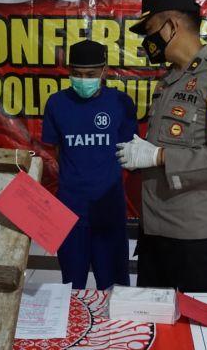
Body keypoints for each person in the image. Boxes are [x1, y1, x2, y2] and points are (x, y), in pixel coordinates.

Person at [116, 0, 207, 292]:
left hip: (192, 236)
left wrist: (159, 156)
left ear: (171, 26)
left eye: (150, 30)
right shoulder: (169, 80)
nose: (146, 41)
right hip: (153, 229)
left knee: (195, 318)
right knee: (153, 317)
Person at [41, 39, 137, 289]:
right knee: (72, 290)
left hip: (109, 210)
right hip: (69, 211)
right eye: (77, 73)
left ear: (104, 71)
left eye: (91, 74)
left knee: (115, 289)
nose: (83, 80)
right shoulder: (56, 103)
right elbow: (57, 151)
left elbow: (128, 151)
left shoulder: (121, 103)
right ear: (69, 70)